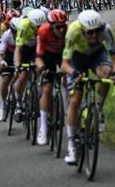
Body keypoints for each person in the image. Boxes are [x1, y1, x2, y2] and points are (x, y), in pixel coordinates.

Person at [61, 10, 115, 164]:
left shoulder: (106, 29)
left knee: (105, 74)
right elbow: (64, 64)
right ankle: (72, 145)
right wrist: (74, 73)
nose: (94, 36)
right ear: (82, 29)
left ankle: (99, 112)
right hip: (77, 58)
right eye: (89, 33)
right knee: (75, 101)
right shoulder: (73, 31)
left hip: (97, 55)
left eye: (96, 31)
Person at [36, 9, 69, 145]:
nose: (61, 30)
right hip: (47, 56)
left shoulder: (68, 30)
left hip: (62, 54)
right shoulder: (43, 31)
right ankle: (43, 127)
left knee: (67, 79)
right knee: (47, 88)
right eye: (58, 27)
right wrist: (42, 68)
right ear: (51, 26)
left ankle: (66, 110)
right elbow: (38, 56)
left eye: (63, 26)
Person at [13, 9, 47, 123]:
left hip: (37, 48)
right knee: (23, 75)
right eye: (35, 27)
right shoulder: (23, 26)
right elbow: (18, 49)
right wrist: (18, 66)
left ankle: (36, 90)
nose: (38, 29)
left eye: (40, 26)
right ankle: (18, 103)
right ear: (31, 23)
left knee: (40, 69)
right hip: (24, 48)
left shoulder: (45, 25)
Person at [0, 17, 22, 121]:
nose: (17, 34)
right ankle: (3, 106)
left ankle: (22, 102)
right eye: (15, 31)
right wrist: (2, 62)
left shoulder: (25, 34)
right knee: (5, 79)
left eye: (19, 31)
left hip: (21, 55)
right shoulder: (7, 35)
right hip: (9, 56)